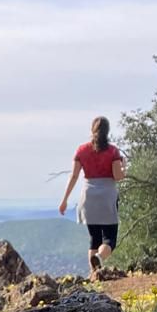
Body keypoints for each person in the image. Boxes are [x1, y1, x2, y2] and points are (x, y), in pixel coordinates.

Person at [58, 115, 125, 276]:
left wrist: (64, 200)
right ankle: (99, 257)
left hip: (88, 197)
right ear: (107, 132)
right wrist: (125, 167)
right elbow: (117, 176)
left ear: (92, 130)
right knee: (109, 240)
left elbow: (73, 176)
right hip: (107, 197)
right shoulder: (113, 151)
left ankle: (94, 274)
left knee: (94, 239)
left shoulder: (82, 150)